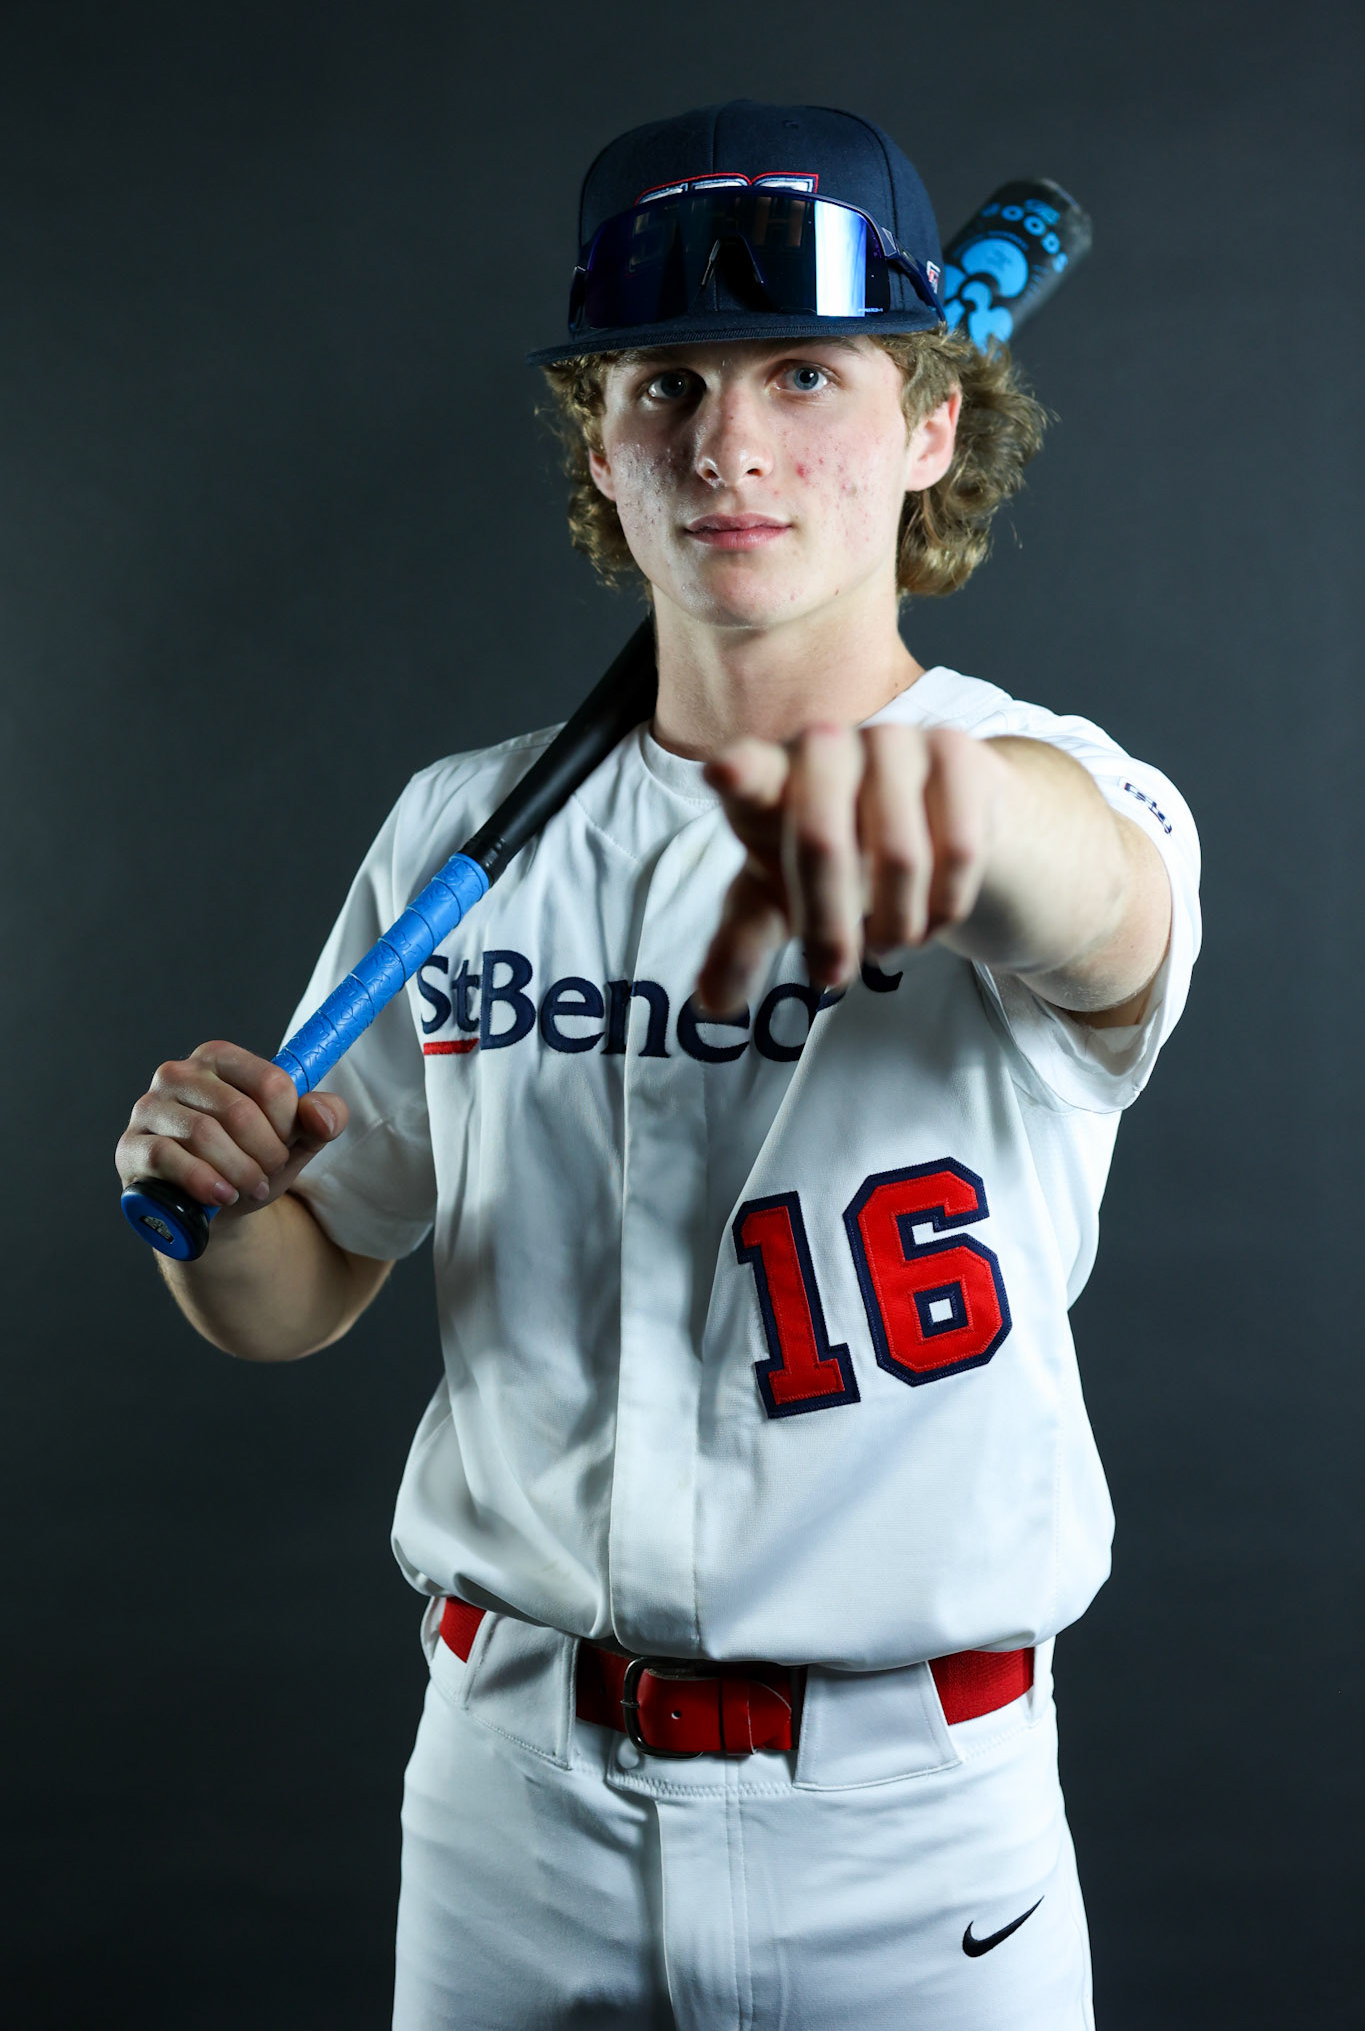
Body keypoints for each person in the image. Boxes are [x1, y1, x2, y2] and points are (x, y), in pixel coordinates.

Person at [116, 100, 1200, 2029]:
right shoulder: (458, 840)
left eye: (804, 370)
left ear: (929, 425)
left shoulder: (1064, 788)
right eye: (664, 385)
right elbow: (303, 1295)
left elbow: (1095, 899)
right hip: (509, 1801)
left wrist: (957, 812)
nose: (730, 446)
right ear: (601, 444)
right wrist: (216, 1213)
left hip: (915, 1828)